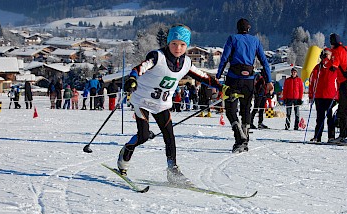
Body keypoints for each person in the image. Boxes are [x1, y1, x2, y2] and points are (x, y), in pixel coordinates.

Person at [117, 24, 226, 185]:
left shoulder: (187, 63)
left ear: (187, 46)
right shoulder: (157, 56)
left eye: (182, 45)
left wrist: (223, 87)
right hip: (142, 101)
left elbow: (204, 77)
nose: (178, 48)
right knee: (143, 136)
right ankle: (125, 153)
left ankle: (172, 170)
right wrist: (132, 79)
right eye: (174, 43)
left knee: (170, 137)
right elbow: (139, 68)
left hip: (162, 104)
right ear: (168, 43)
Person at [216, 18, 273, 153]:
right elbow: (264, 62)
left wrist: (218, 76)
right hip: (249, 80)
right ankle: (245, 139)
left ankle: (239, 136)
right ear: (249, 28)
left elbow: (224, 58)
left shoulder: (232, 38)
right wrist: (269, 80)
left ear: (237, 28)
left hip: (233, 78)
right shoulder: (255, 41)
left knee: (230, 109)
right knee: (246, 108)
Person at [309, 48, 338, 142]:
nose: (326, 56)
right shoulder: (317, 67)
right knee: (320, 118)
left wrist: (338, 96)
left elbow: (338, 82)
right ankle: (317, 136)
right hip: (319, 96)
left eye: (328, 54)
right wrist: (311, 95)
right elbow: (312, 82)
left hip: (331, 96)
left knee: (331, 118)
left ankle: (331, 137)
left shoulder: (334, 67)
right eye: (324, 54)